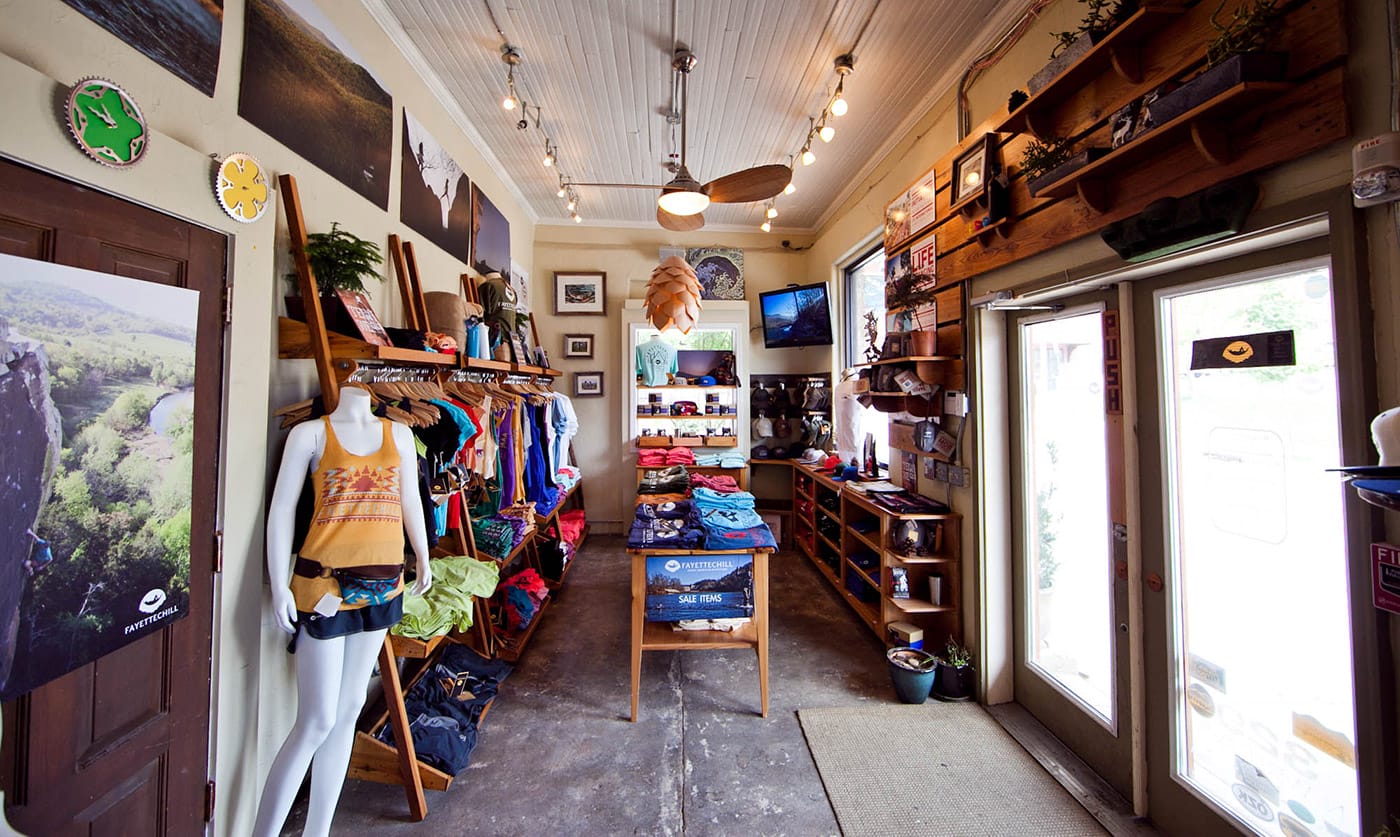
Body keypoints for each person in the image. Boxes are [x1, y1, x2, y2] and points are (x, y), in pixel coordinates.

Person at [253, 385, 431, 837]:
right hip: (323, 587)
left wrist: (423, 555)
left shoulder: (399, 434)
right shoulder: (311, 435)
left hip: (383, 587)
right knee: (317, 720)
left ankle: (318, 831)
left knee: (350, 708)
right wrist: (279, 584)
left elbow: (410, 499)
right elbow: (281, 509)